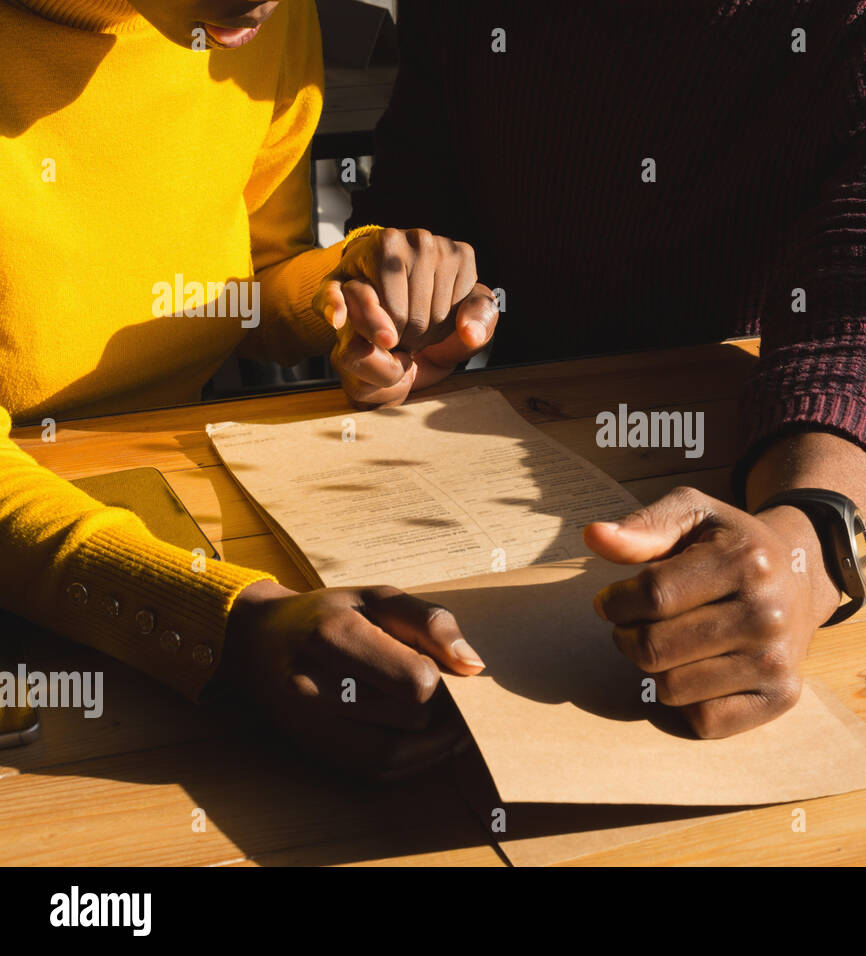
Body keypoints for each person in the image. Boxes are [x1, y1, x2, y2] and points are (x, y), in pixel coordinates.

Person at [344, 0, 866, 737]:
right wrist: (405, 306)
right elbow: (417, 194)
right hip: (463, 475)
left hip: (751, 490)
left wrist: (811, 540)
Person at [0, 0, 499, 779]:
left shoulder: (264, 20)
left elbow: (253, 276)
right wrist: (228, 628)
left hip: (188, 494)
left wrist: (351, 291)